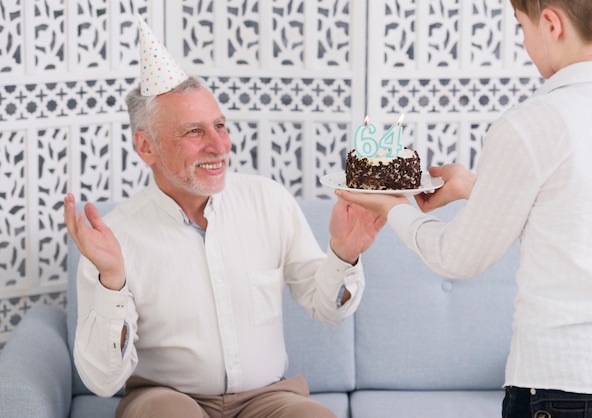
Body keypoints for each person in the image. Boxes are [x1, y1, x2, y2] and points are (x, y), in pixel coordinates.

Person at [64, 20, 385, 418]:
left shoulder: (269, 201)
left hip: (267, 398)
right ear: (146, 146)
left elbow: (329, 310)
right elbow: (101, 382)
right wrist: (112, 281)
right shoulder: (114, 239)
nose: (220, 145)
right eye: (195, 132)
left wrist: (343, 255)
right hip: (167, 398)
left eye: (220, 125)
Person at [336, 1, 592, 417]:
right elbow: (579, 203)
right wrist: (479, 188)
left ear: (550, 23)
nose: (523, 41)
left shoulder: (532, 125)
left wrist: (394, 207)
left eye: (521, 26)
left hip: (563, 385)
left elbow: (458, 257)